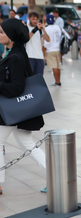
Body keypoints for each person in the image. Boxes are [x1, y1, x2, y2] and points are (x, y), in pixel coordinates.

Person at [0, 18, 47, 195]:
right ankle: (56, 178)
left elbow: (17, 87)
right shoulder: (13, 52)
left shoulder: (16, 56)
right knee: (28, 144)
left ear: (11, 37)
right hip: (15, 111)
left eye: (2, 32)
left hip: (13, 110)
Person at [43, 14, 63, 86]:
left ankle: (57, 82)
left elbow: (45, 42)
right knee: (58, 66)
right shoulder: (58, 27)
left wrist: (44, 54)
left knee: (54, 66)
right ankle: (59, 81)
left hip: (50, 50)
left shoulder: (46, 29)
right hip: (57, 48)